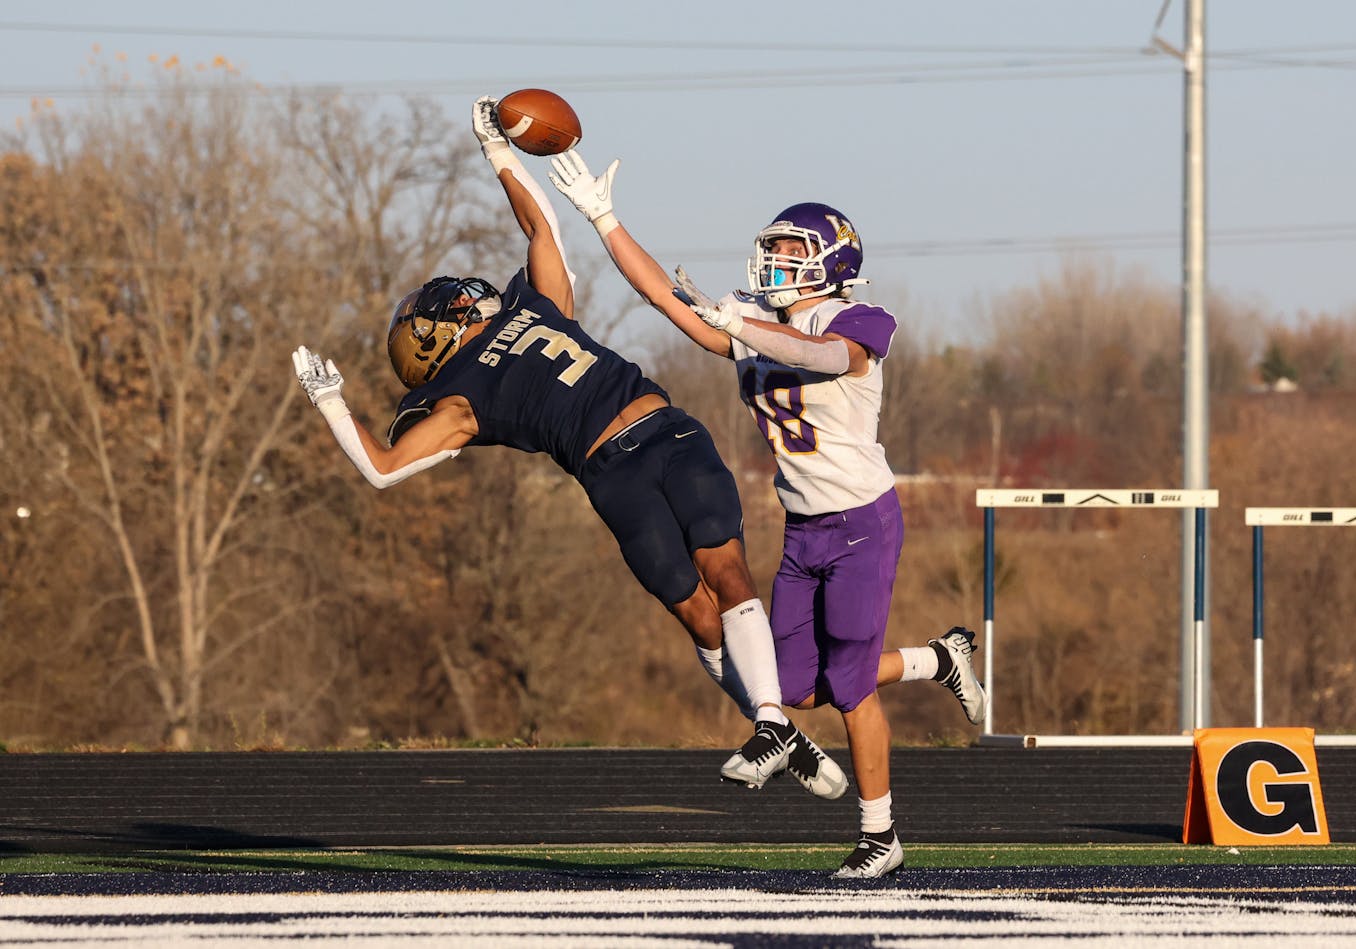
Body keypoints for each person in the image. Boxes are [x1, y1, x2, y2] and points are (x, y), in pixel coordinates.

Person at [291, 97, 847, 802]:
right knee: (697, 615)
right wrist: (331, 401)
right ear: (432, 341)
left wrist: (498, 153)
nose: (461, 297)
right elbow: (382, 468)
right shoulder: (460, 398)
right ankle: (779, 733)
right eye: (444, 306)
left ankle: (769, 721)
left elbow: (540, 226)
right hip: (611, 475)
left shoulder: (535, 305)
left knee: (727, 568)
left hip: (667, 432)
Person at [549, 149, 987, 879]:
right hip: (803, 527)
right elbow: (664, 299)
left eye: (792, 252)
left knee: (847, 689)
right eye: (773, 250)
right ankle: (938, 657)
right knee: (790, 688)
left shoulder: (855, 317)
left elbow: (825, 358)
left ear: (832, 262)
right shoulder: (753, 319)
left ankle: (881, 835)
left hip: (861, 523)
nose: (776, 263)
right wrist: (603, 219)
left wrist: (745, 329)